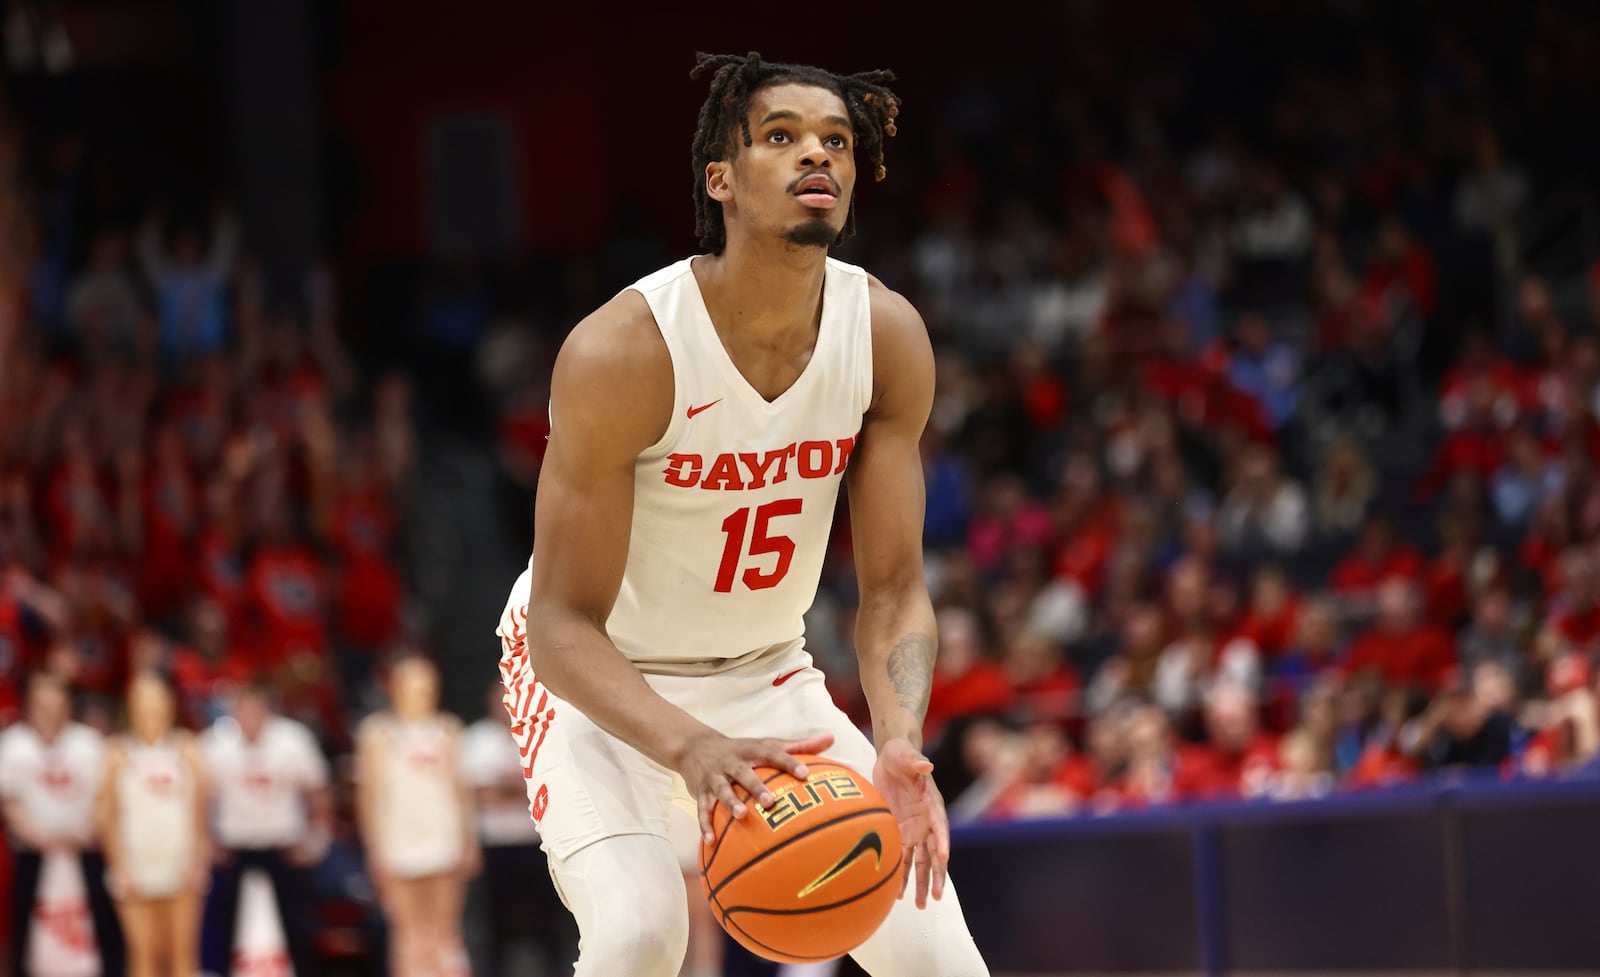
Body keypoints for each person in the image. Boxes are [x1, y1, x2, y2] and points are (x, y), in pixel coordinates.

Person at [494, 52, 988, 976]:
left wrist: (898, 739)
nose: (818, 156)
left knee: (940, 958)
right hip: (598, 684)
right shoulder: (624, 349)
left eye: (837, 141)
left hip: (766, 674)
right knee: (642, 933)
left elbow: (891, 591)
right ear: (720, 179)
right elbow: (561, 627)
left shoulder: (884, 336)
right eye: (782, 136)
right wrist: (688, 744)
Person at [355, 654, 479, 977]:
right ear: (396, 688)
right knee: (408, 935)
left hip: (443, 839)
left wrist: (469, 839)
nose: (422, 695)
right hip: (398, 843)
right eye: (414, 686)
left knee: (445, 934)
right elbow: (368, 797)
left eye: (427, 687)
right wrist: (373, 851)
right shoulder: (376, 733)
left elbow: (460, 790)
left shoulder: (448, 730)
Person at [199, 679, 331, 977]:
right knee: (221, 927)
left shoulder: (293, 739)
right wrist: (207, 841)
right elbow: (201, 799)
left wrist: (317, 840)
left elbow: (319, 792)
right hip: (233, 848)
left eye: (254, 710)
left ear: (267, 710)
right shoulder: (215, 744)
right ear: (233, 712)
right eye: (241, 711)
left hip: (283, 846)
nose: (248, 718)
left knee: (299, 926)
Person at [0, 671, 123, 977]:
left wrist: (88, 829)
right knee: (26, 928)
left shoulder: (89, 743)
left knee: (101, 924)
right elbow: (9, 802)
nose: (50, 711)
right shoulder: (13, 744)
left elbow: (105, 796)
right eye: (42, 704)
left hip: (85, 848)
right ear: (30, 705)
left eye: (56, 703)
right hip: (33, 853)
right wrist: (37, 837)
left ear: (67, 705)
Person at [458, 682, 574, 977]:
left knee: (552, 921)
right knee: (494, 923)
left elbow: (556, 787)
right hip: (496, 846)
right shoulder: (476, 738)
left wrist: (504, 789)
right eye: (501, 698)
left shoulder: (542, 732)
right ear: (490, 701)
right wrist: (523, 788)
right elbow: (477, 792)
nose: (507, 705)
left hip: (541, 844)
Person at [99, 670, 210, 977]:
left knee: (182, 955)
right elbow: (107, 817)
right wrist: (119, 866)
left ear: (169, 703)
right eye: (141, 700)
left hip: (180, 861)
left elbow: (202, 813)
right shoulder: (116, 752)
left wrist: (198, 860)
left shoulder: (187, 748)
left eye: (155, 699)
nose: (149, 708)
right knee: (142, 955)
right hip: (135, 864)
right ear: (130, 705)